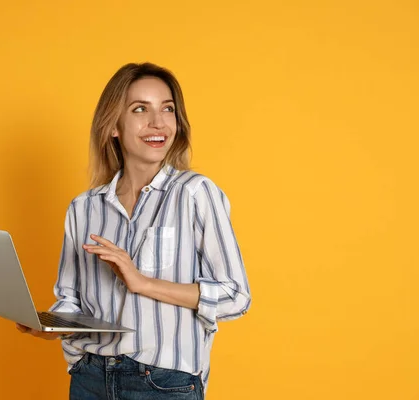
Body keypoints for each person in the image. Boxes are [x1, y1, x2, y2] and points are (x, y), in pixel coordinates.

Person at [17, 62, 251, 399]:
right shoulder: (84, 208)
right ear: (113, 125)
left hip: (163, 383)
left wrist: (141, 282)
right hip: (91, 378)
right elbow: (71, 300)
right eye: (140, 109)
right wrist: (49, 327)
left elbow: (236, 296)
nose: (158, 122)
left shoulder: (195, 194)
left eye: (167, 109)